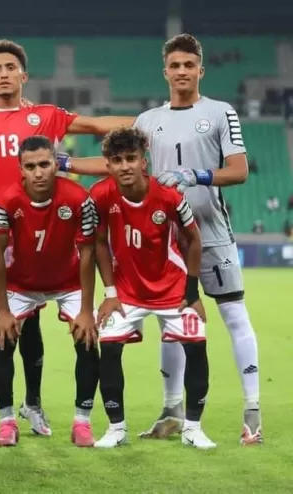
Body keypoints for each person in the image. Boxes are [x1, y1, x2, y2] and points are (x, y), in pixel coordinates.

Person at [0, 39, 134, 436]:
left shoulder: (45, 116)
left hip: (40, 233)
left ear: (23, 75)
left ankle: (31, 405)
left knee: (28, 327)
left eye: (10, 67)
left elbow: (96, 125)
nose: (4, 74)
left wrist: (154, 120)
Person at [134, 34, 261, 445]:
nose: (182, 71)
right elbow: (121, 165)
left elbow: (239, 170)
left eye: (189, 65)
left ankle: (252, 413)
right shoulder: (147, 120)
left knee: (234, 316)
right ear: (165, 72)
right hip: (166, 239)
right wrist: (66, 163)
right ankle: (171, 410)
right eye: (175, 65)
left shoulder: (220, 112)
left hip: (212, 233)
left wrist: (196, 175)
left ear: (200, 70)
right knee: (171, 324)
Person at [82, 127, 214, 449]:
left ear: (144, 162)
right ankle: (116, 429)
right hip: (126, 292)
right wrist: (110, 294)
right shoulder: (99, 195)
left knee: (197, 346)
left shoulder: (170, 196)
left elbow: (194, 240)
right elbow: (99, 243)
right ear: (108, 165)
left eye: (131, 158)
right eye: (117, 160)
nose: (125, 166)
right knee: (109, 347)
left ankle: (193, 428)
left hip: (173, 288)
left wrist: (192, 292)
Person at [0, 136, 100, 447]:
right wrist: (3, 311)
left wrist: (86, 311)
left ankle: (82, 423)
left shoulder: (78, 198)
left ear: (56, 164)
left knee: (88, 339)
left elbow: (88, 253)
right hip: (22, 284)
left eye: (44, 164)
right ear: (20, 169)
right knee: (2, 339)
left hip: (68, 282)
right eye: (30, 167)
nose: (38, 173)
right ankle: (7, 422)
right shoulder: (6, 199)